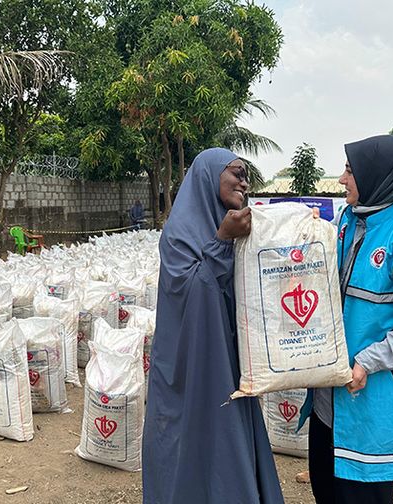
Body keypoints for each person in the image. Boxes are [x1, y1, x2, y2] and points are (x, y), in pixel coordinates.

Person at [306, 135, 393, 504]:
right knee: (327, 489)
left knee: (362, 494)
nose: (341, 179)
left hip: (372, 402)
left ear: (378, 177)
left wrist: (368, 362)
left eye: (350, 171)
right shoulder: (349, 222)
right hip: (331, 396)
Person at [142, 148, 284, 504]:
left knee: (227, 437)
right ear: (208, 175)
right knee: (188, 436)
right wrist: (221, 241)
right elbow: (191, 292)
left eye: (246, 175)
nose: (244, 182)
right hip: (188, 362)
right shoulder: (179, 236)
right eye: (237, 172)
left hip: (226, 356)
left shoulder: (234, 225)